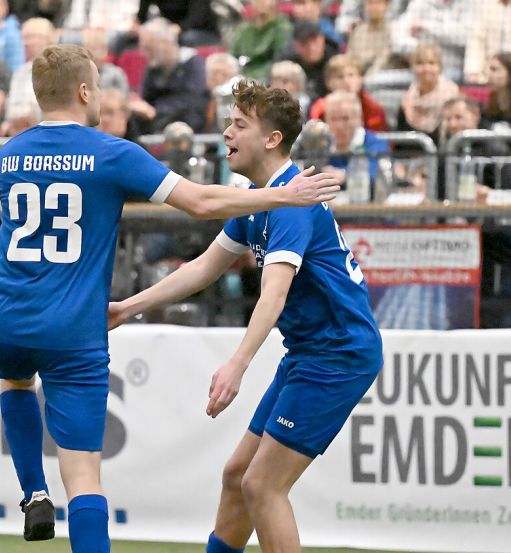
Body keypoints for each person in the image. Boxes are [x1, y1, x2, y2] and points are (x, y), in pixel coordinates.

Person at [0, 44, 340, 551]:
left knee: (14, 382)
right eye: (99, 85)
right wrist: (282, 193)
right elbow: (198, 201)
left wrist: (127, 306)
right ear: (84, 91)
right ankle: (55, 495)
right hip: (71, 327)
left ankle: (33, 490)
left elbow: (206, 266)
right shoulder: (110, 152)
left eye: (238, 124)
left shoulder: (9, 153)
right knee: (84, 478)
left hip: (1, 316)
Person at [108, 80, 383, 553]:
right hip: (310, 351)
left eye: (239, 124)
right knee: (238, 476)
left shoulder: (291, 206)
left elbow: (273, 296)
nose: (226, 132)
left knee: (262, 486)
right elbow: (203, 268)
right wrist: (127, 307)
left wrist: (237, 364)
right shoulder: (262, 198)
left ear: (272, 139)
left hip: (339, 355)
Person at [396, 43, 459, 138]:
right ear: (412, 67)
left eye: (431, 63)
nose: (426, 68)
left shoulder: (451, 95)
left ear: (440, 67)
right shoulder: (407, 99)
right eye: (420, 63)